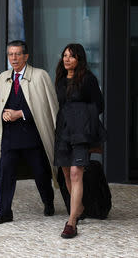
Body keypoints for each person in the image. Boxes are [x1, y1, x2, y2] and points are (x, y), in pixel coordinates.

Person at [0, 40, 59, 225]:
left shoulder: (40, 76)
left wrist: (20, 113)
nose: (14, 58)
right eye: (10, 54)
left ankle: (48, 202)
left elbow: (46, 106)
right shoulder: (4, 76)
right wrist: (3, 114)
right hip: (9, 137)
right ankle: (5, 212)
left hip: (32, 137)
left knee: (41, 174)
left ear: (26, 56)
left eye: (18, 54)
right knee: (5, 176)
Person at [54, 43, 104, 238]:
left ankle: (72, 222)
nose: (67, 59)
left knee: (76, 174)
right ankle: (79, 207)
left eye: (71, 56)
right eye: (65, 55)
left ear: (79, 59)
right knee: (66, 174)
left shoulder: (88, 79)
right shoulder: (60, 79)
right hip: (63, 131)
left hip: (81, 133)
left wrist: (82, 118)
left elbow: (99, 105)